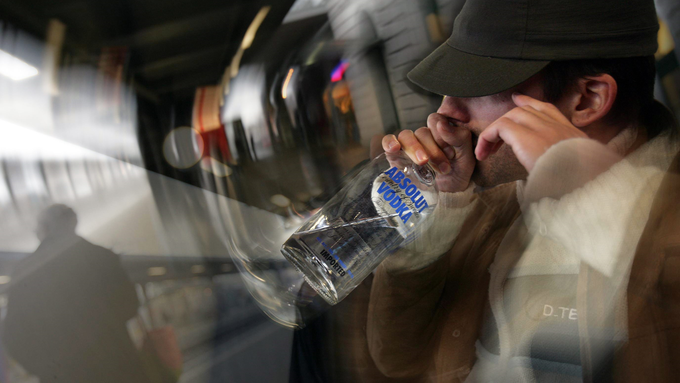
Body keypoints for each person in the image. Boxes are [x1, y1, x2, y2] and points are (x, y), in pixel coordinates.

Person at [367, 0, 680, 382]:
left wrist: (595, 197)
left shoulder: (665, 213)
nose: (444, 113)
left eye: (478, 85)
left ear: (587, 99)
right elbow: (396, 358)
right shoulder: (484, 197)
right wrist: (438, 210)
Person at [2, 204, 151, 383]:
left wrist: (43, 369)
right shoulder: (103, 257)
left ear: (43, 228)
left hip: (65, 374)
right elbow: (131, 305)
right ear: (73, 224)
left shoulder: (26, 271)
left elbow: (13, 332)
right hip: (116, 364)